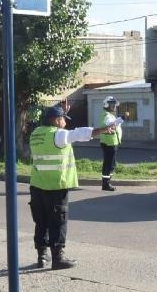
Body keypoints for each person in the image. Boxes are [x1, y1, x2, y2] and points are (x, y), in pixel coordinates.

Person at [28, 101, 106, 270]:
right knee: (58, 222)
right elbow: (79, 134)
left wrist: (62, 111)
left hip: (37, 185)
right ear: (56, 120)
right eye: (63, 119)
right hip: (56, 186)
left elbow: (62, 130)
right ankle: (58, 258)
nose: (65, 122)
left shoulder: (35, 133)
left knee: (41, 223)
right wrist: (102, 130)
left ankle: (42, 257)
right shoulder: (59, 135)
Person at [99, 96, 125, 191]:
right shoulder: (107, 115)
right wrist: (121, 118)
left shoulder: (109, 114)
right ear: (106, 104)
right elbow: (111, 124)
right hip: (109, 143)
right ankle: (105, 185)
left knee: (111, 164)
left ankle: (107, 182)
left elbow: (114, 124)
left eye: (114, 104)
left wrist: (119, 119)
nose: (114, 106)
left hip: (111, 142)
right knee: (109, 164)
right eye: (112, 104)